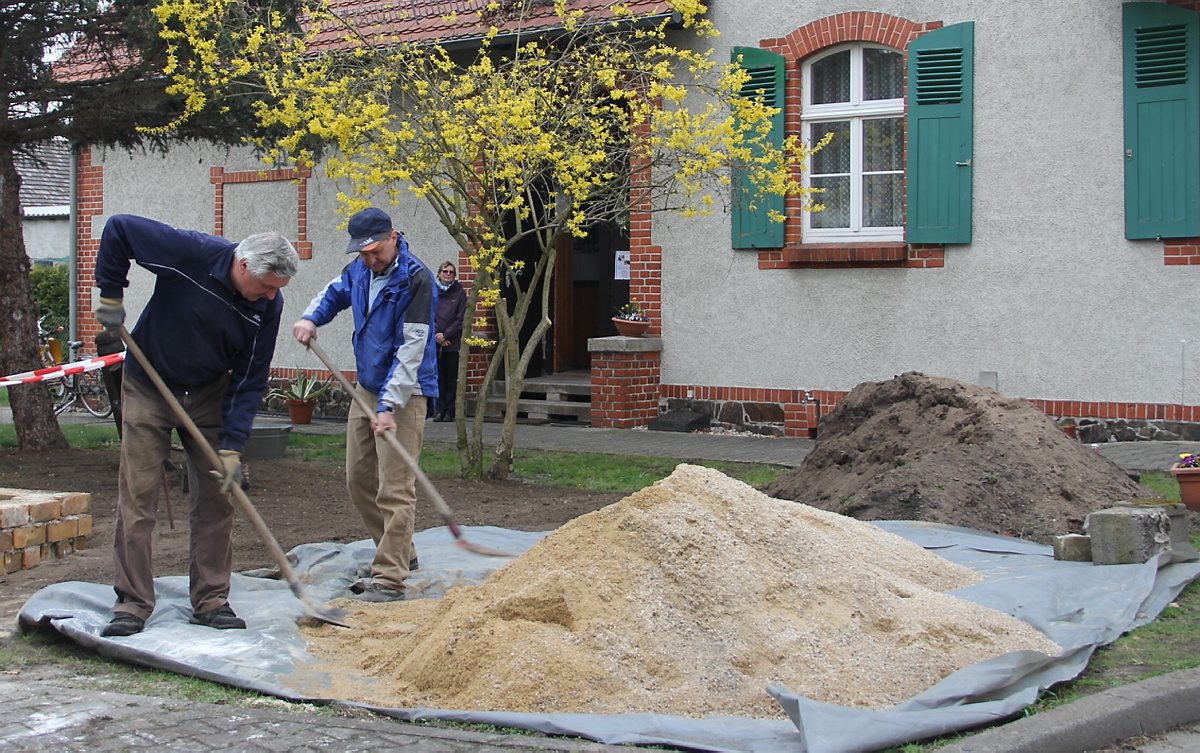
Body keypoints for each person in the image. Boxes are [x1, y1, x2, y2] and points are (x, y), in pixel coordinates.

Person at [92, 214, 299, 637]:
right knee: (138, 496)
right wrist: (111, 297)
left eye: (276, 291)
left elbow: (250, 378)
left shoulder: (267, 307)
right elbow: (118, 229)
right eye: (266, 287)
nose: (269, 297)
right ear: (243, 266)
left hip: (208, 395)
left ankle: (211, 600)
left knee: (216, 499)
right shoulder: (189, 253)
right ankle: (132, 603)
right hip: (149, 383)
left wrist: (233, 446)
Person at [291, 207, 438, 603]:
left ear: (392, 236)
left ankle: (390, 578)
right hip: (366, 388)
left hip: (405, 392)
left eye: (375, 251)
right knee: (358, 480)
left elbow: (412, 349)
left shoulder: (417, 279)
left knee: (395, 487)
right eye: (363, 253)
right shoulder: (359, 270)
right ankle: (401, 552)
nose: (370, 259)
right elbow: (334, 291)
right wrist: (310, 319)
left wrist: (390, 405)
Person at [431, 260, 467, 422]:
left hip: (452, 343)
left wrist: (446, 335)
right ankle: (439, 410)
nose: (448, 274)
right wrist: (437, 335)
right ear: (439, 273)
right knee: (438, 377)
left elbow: (461, 318)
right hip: (435, 342)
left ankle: (450, 411)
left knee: (451, 378)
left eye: (451, 272)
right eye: (445, 271)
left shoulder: (459, 293)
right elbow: (428, 314)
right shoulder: (432, 291)